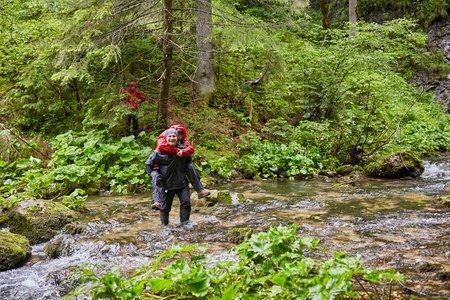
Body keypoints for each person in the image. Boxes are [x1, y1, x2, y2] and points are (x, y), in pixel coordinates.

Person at [150, 124, 210, 210]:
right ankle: (157, 202)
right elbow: (159, 149)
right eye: (171, 136)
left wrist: (183, 151)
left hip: (180, 179)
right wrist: (176, 151)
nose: (177, 137)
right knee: (164, 207)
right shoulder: (161, 144)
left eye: (178, 135)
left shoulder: (183, 144)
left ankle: (200, 190)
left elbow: (191, 150)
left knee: (186, 203)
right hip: (165, 179)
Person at [145, 129, 191, 226]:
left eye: (174, 136)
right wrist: (154, 177)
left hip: (181, 183)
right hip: (166, 185)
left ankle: (185, 224)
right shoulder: (158, 152)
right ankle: (165, 228)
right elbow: (148, 163)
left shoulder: (183, 150)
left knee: (186, 203)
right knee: (165, 208)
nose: (171, 138)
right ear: (166, 138)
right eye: (169, 136)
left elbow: (189, 161)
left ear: (177, 138)